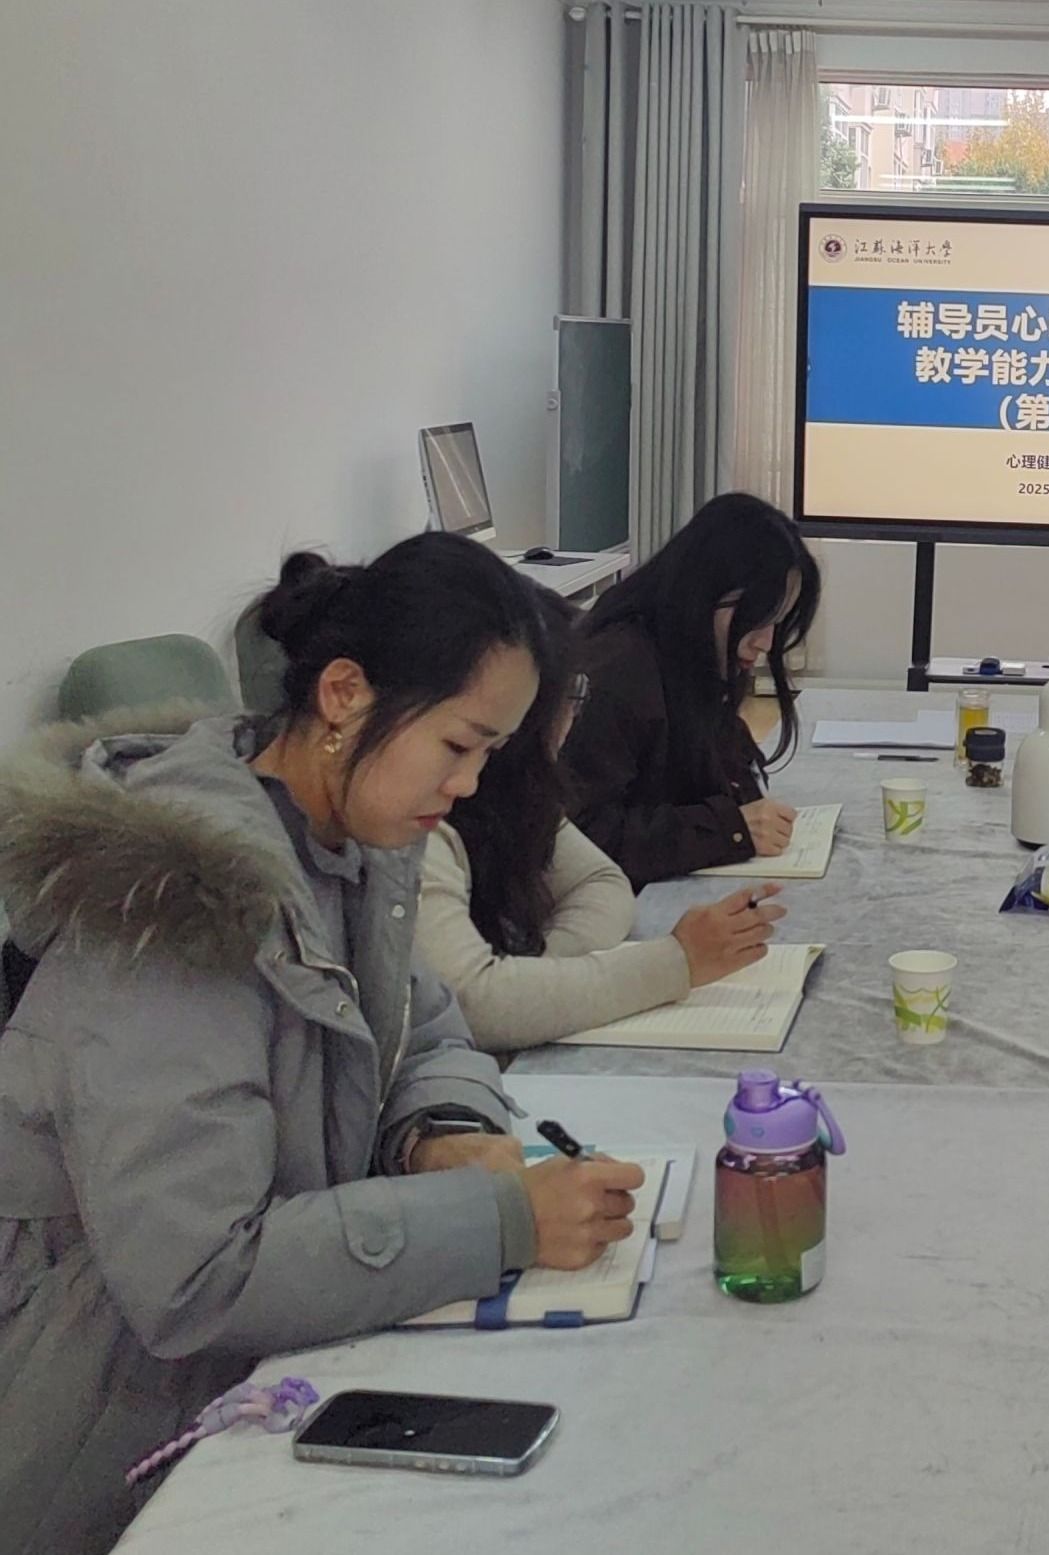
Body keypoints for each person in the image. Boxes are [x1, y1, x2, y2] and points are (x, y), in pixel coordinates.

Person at [0, 535, 645, 1555]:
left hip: (254, 1361)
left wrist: (438, 1129)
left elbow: (426, 1028)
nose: (470, 785)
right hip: (95, 1407)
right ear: (344, 694)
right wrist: (502, 1219)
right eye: (459, 745)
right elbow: (196, 1277)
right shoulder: (172, 907)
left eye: (488, 754)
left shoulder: (351, 837)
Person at [417, 587, 788, 1053]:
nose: (575, 717)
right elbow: (475, 1005)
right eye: (570, 696)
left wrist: (542, 986)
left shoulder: (516, 787)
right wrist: (672, 963)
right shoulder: (421, 812)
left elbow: (601, 882)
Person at [561, 493, 822, 889]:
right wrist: (729, 829)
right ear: (706, 594)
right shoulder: (618, 670)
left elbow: (717, 765)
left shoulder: (694, 653)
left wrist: (741, 812)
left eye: (777, 623)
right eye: (758, 619)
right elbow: (582, 838)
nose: (766, 642)